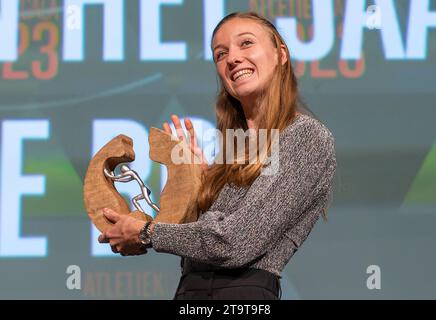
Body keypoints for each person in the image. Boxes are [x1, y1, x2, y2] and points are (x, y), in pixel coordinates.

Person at [98, 11, 337, 300]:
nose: (232, 58)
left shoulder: (305, 136)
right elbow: (197, 244)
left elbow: (234, 242)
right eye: (220, 54)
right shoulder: (233, 149)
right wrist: (194, 186)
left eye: (246, 43)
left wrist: (145, 233)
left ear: (280, 54)